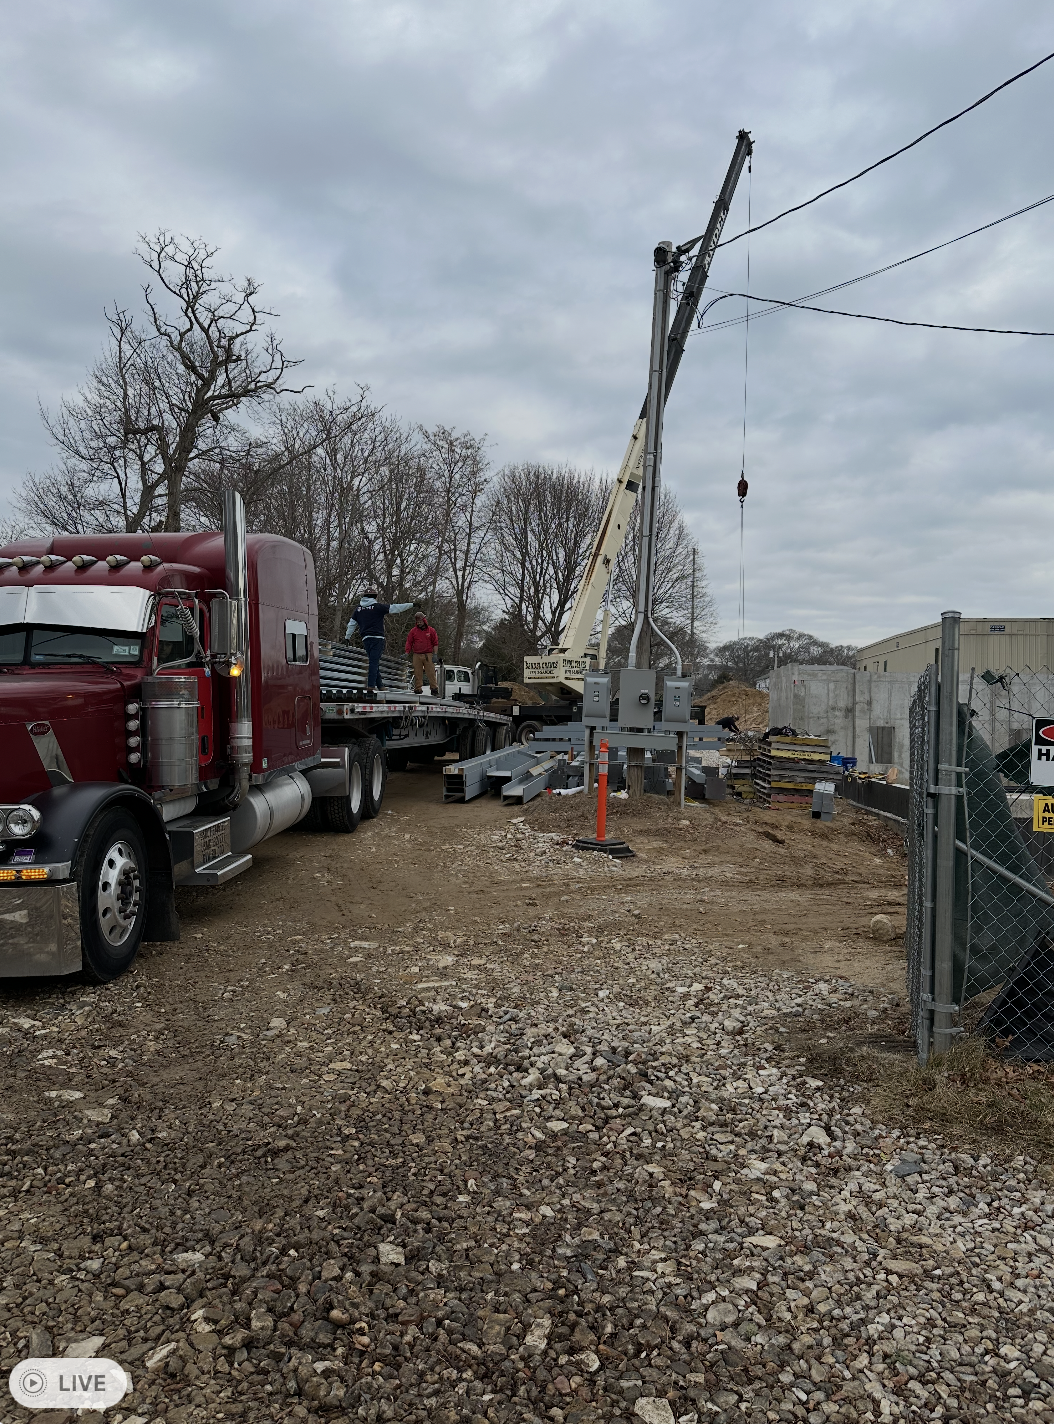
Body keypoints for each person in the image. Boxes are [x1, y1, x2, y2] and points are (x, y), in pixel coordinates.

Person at [345, 591, 414, 692]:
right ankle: (371, 685)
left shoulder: (358, 609)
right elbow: (396, 608)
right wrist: (412, 605)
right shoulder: (377, 607)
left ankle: (380, 685)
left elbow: (351, 624)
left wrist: (347, 637)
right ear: (374, 596)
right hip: (377, 638)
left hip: (366, 639)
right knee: (374, 662)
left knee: (374, 661)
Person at [405, 610, 439, 695]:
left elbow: (435, 643)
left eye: (420, 621)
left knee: (431, 672)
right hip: (417, 654)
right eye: (417, 622)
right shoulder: (413, 631)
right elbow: (409, 642)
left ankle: (434, 688)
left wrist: (435, 654)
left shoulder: (431, 631)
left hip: (428, 654)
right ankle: (418, 688)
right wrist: (407, 652)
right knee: (417, 673)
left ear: (424, 620)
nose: (419, 623)